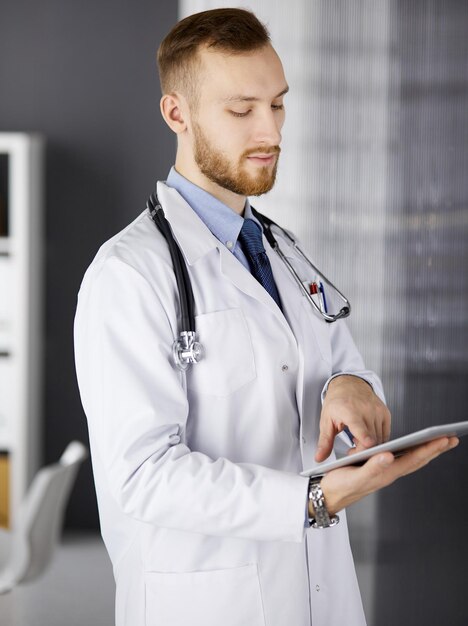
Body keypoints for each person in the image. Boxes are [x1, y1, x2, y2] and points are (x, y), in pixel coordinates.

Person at [74, 8, 459, 626]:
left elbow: (339, 365)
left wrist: (349, 385)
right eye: (242, 109)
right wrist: (310, 499)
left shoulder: (281, 251)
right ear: (178, 113)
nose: (270, 130)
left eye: (278, 105)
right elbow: (142, 475)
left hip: (319, 593)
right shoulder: (129, 274)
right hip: (208, 603)